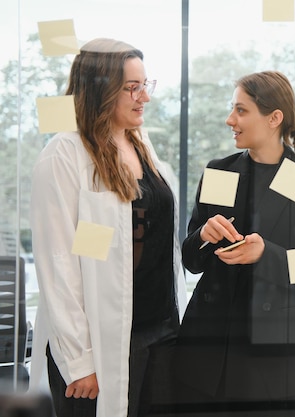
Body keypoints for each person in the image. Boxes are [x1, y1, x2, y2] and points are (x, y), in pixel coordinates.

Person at [29, 38, 187, 417]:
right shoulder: (65, 154)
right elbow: (59, 261)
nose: (143, 98)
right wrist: (79, 360)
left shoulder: (141, 144)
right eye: (132, 88)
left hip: (158, 330)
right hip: (101, 342)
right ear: (99, 90)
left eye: (145, 85)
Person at [174, 70, 295, 416]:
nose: (231, 120)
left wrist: (266, 254)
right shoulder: (221, 171)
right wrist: (202, 235)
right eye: (233, 110)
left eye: (241, 111)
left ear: (275, 118)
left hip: (271, 352)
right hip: (209, 348)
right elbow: (191, 260)